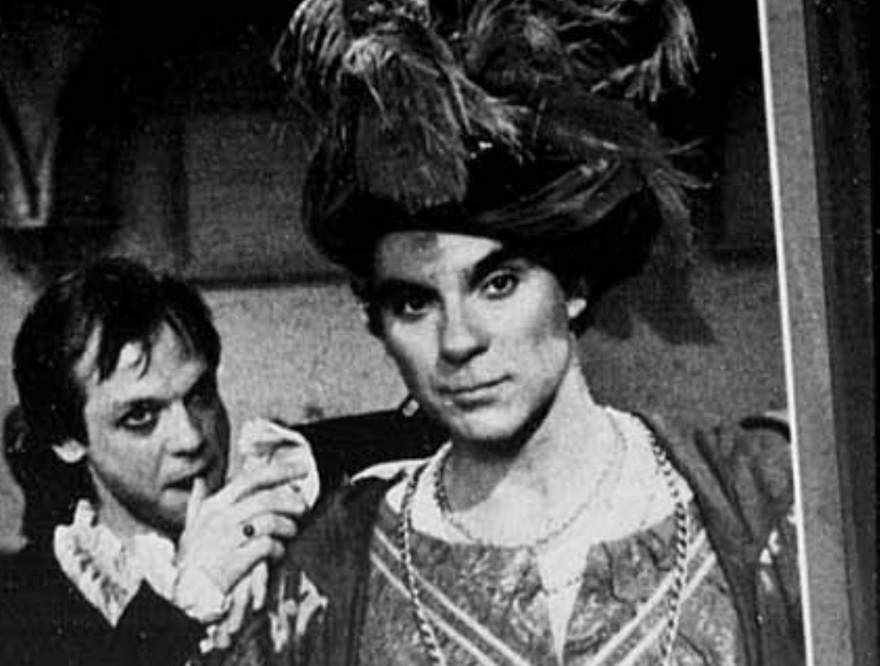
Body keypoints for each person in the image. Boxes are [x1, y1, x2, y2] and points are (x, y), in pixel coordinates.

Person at [215, 0, 804, 664]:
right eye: (414, 303)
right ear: (378, 323)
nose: (458, 340)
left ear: (573, 284)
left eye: (497, 284)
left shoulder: (762, 498)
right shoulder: (334, 563)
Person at [0, 258, 317, 666]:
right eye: (140, 416)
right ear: (67, 439)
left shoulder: (283, 527)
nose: (190, 438)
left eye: (200, 394)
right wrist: (183, 608)